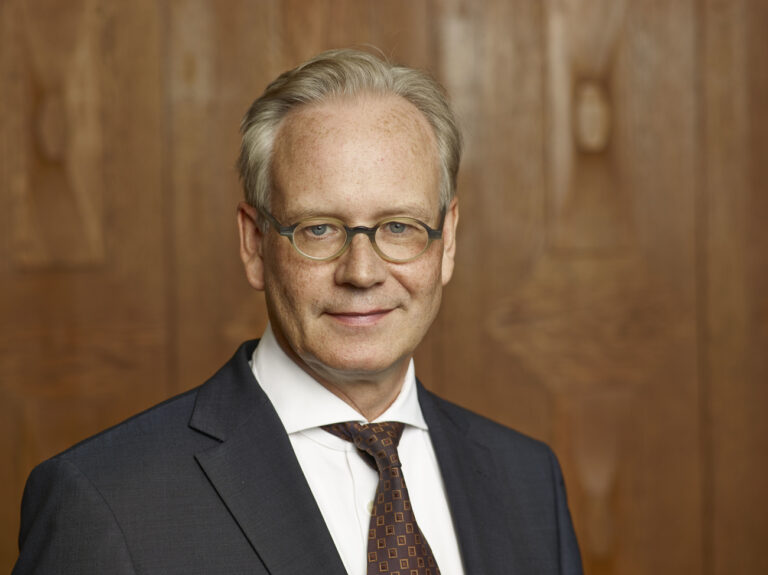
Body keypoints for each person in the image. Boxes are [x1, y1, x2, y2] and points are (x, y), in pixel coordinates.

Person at [13, 48, 582, 575]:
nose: (362, 272)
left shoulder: (528, 481)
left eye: (399, 227)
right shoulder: (107, 500)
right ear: (254, 244)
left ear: (448, 240)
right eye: (319, 229)